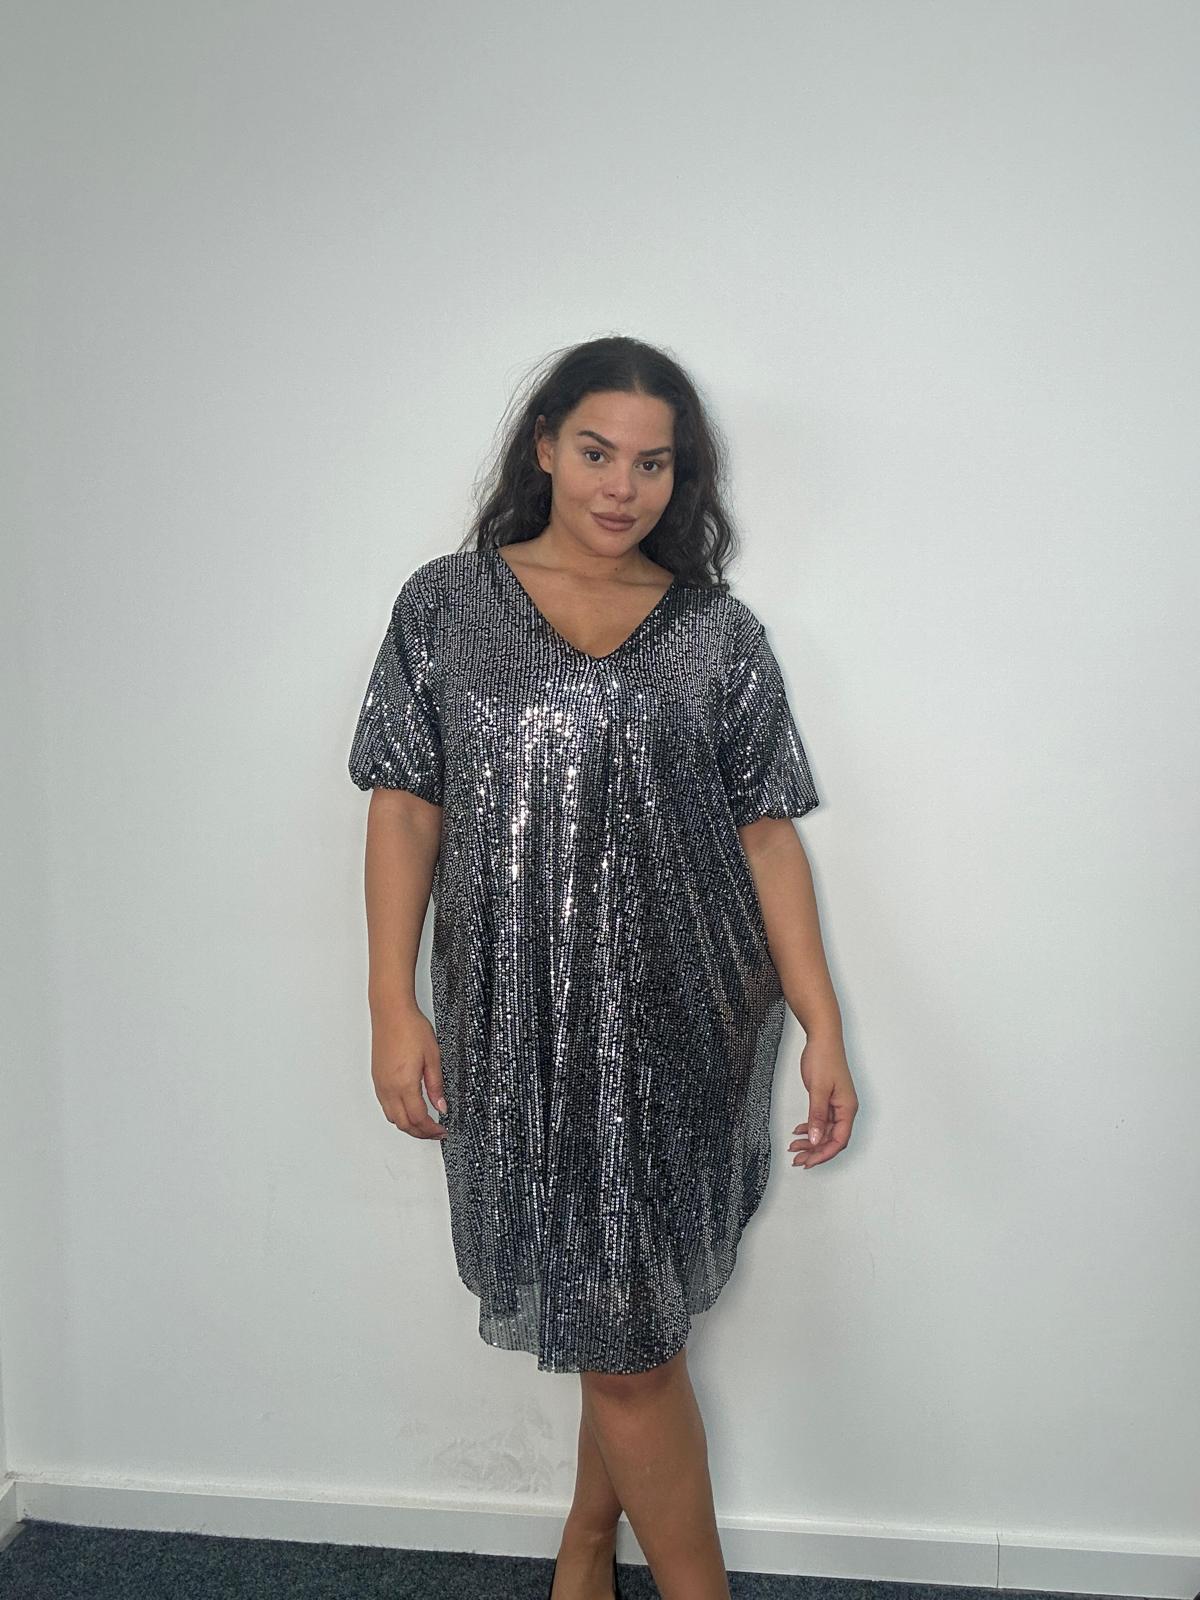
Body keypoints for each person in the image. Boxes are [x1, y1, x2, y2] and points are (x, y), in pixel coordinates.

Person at [348, 335, 859, 1600]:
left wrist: (823, 1025)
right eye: (595, 451)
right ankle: (590, 1539)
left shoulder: (716, 632)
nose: (621, 486)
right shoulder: (445, 606)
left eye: (652, 463)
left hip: (687, 1017)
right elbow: (405, 806)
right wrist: (390, 1001)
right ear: (544, 445)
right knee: (620, 1326)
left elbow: (765, 833)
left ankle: (601, 1547)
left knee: (627, 1330)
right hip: (517, 1020)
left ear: (682, 477)